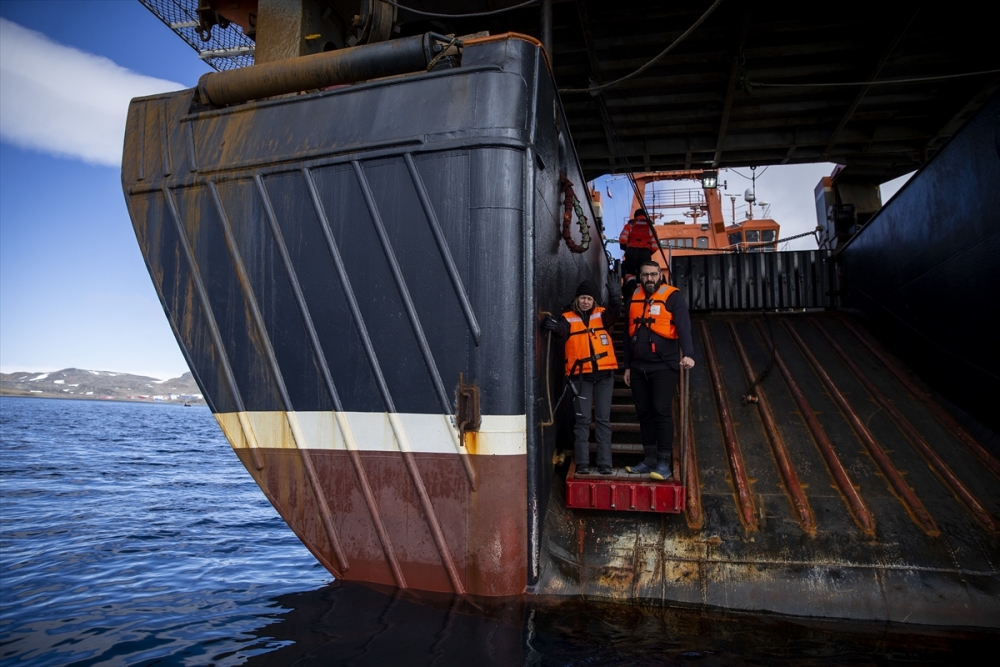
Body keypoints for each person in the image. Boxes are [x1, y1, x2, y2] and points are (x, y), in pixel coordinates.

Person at [623, 261, 695, 481]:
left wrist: (689, 354)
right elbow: (627, 335)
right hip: (637, 367)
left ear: (660, 276)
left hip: (664, 365)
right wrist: (627, 366)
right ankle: (649, 460)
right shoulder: (632, 299)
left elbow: (684, 326)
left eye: (654, 274)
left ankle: (664, 462)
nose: (650, 278)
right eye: (645, 275)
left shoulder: (673, 297)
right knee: (643, 413)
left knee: (661, 411)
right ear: (640, 277)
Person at [543, 279, 621, 475]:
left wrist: (614, 295)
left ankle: (605, 464)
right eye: (582, 298)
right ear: (577, 300)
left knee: (603, 419)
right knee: (583, 420)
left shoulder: (602, 316)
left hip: (604, 376)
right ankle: (583, 463)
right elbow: (560, 329)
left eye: (589, 298)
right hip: (581, 378)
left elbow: (615, 312)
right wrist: (550, 324)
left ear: (593, 301)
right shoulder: (567, 318)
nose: (586, 301)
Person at [619, 209, 659, 282]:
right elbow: (655, 246)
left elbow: (622, 239)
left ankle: (631, 287)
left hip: (631, 251)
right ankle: (640, 288)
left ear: (635, 216)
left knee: (630, 272)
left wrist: (626, 248)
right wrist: (647, 252)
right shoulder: (650, 228)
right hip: (645, 253)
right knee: (643, 273)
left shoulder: (630, 225)